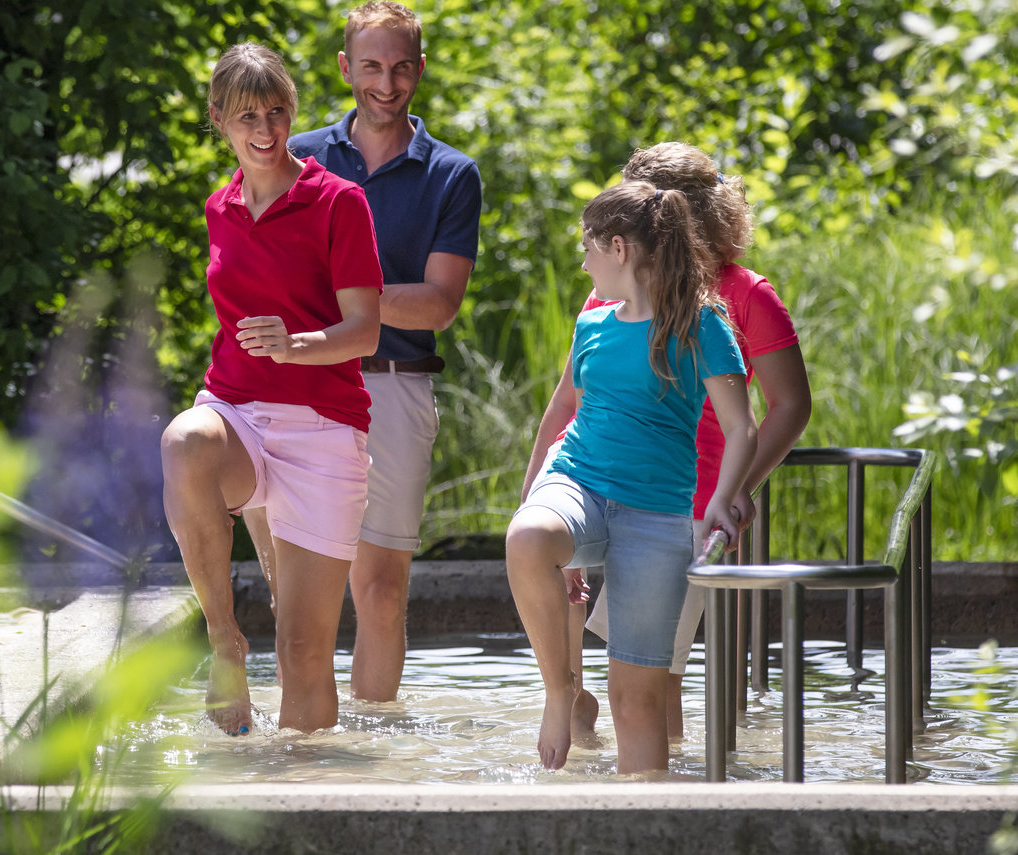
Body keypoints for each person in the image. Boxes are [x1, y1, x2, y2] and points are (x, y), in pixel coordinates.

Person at [517, 143, 813, 744]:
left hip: (682, 500)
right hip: (590, 485)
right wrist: (534, 494)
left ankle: (662, 793)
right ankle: (584, 752)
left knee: (654, 683)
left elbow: (788, 407)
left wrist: (734, 492)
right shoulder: (610, 290)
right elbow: (568, 401)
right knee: (588, 661)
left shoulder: (743, 296)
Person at [242, 0, 482, 703]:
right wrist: (345, 308)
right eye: (371, 65)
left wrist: (346, 297)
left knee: (379, 592)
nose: (387, 82)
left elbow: (439, 302)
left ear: (420, 68)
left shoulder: (452, 173)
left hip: (396, 386)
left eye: (402, 66)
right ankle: (305, 743)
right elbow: (261, 267)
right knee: (294, 593)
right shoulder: (301, 155)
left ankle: (373, 760)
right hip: (297, 385)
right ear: (346, 66)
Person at [160, 42, 385, 735]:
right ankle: (223, 638)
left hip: (323, 426)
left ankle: (306, 799)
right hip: (236, 415)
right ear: (219, 120)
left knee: (304, 649)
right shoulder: (218, 207)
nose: (265, 131)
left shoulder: (337, 202)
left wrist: (298, 345)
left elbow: (365, 331)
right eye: (247, 116)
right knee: (183, 442)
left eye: (278, 112)